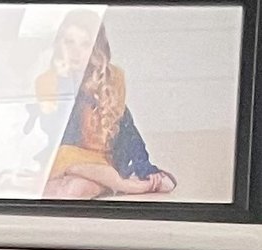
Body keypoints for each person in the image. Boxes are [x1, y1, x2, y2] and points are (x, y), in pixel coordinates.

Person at [36, 10, 176, 197]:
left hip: (102, 161)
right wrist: (65, 82)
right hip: (65, 155)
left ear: (96, 47)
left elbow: (126, 126)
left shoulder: (113, 77)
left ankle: (113, 179)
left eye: (85, 44)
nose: (75, 52)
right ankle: (125, 185)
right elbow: (59, 134)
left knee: (71, 190)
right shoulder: (47, 81)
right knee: (63, 188)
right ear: (59, 44)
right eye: (69, 42)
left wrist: (144, 166)